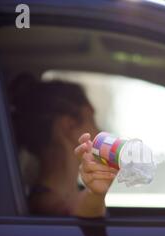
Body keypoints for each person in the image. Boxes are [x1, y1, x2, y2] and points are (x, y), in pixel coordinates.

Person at [10, 74, 117, 218]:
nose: (100, 131)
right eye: (92, 119)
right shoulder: (47, 205)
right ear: (69, 125)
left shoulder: (61, 196)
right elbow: (79, 213)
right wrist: (96, 194)